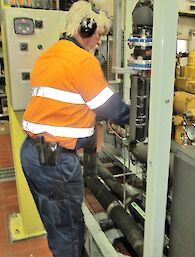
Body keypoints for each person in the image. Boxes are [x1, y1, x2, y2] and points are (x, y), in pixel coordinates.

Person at [20, 1, 129, 257]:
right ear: (86, 29)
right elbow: (111, 109)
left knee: (58, 226)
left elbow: (68, 104)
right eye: (99, 34)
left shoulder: (48, 56)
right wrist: (140, 120)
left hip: (34, 154)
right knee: (68, 232)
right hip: (55, 163)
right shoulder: (82, 62)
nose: (100, 42)